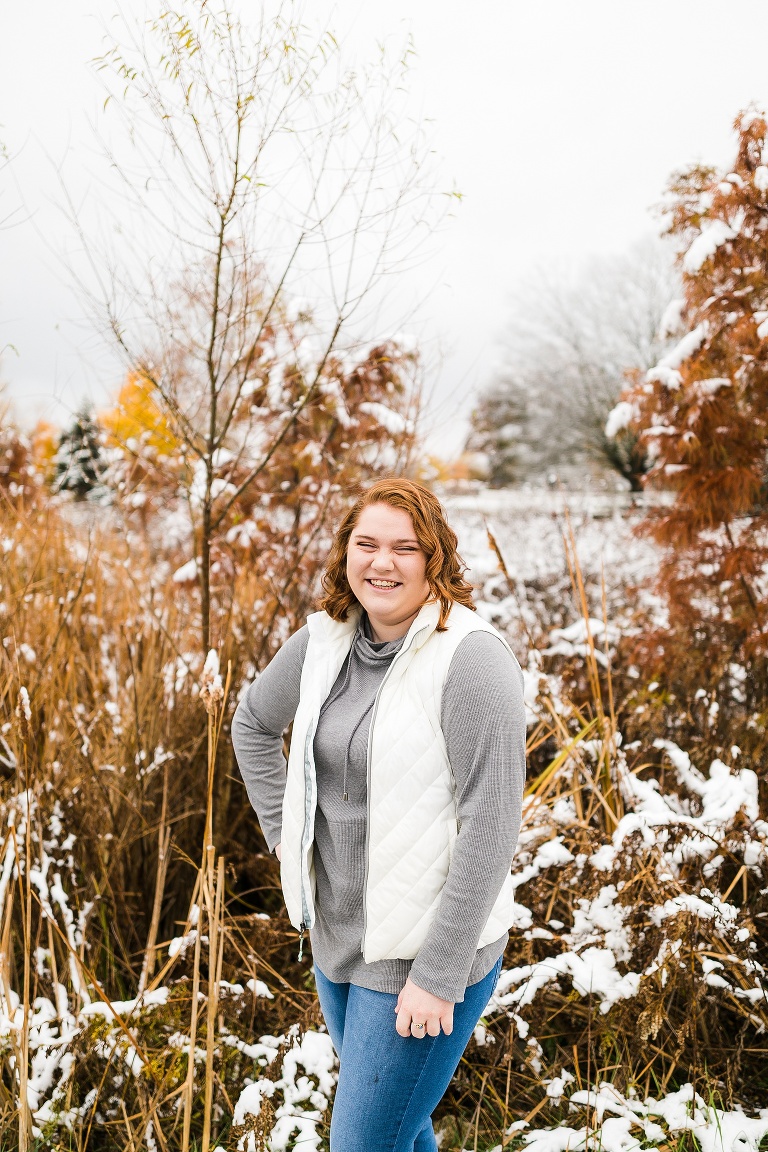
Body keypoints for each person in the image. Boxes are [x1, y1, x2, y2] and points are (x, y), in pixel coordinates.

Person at [232, 477, 526, 1152]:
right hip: (337, 941)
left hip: (421, 953)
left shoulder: (471, 659)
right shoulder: (324, 643)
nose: (382, 562)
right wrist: (287, 840)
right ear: (346, 553)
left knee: (364, 1143)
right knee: (400, 1130)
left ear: (435, 559)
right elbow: (252, 724)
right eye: (366, 543)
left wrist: (438, 974)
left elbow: (490, 826)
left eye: (405, 548)